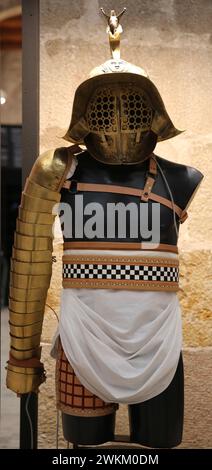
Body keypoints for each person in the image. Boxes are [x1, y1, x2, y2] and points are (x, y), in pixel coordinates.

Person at [6, 10, 203, 448]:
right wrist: (21, 358)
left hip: (158, 345)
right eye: (104, 103)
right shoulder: (58, 170)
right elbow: (29, 266)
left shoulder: (182, 177)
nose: (117, 115)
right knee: (85, 452)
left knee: (157, 447)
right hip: (82, 341)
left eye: (130, 101)